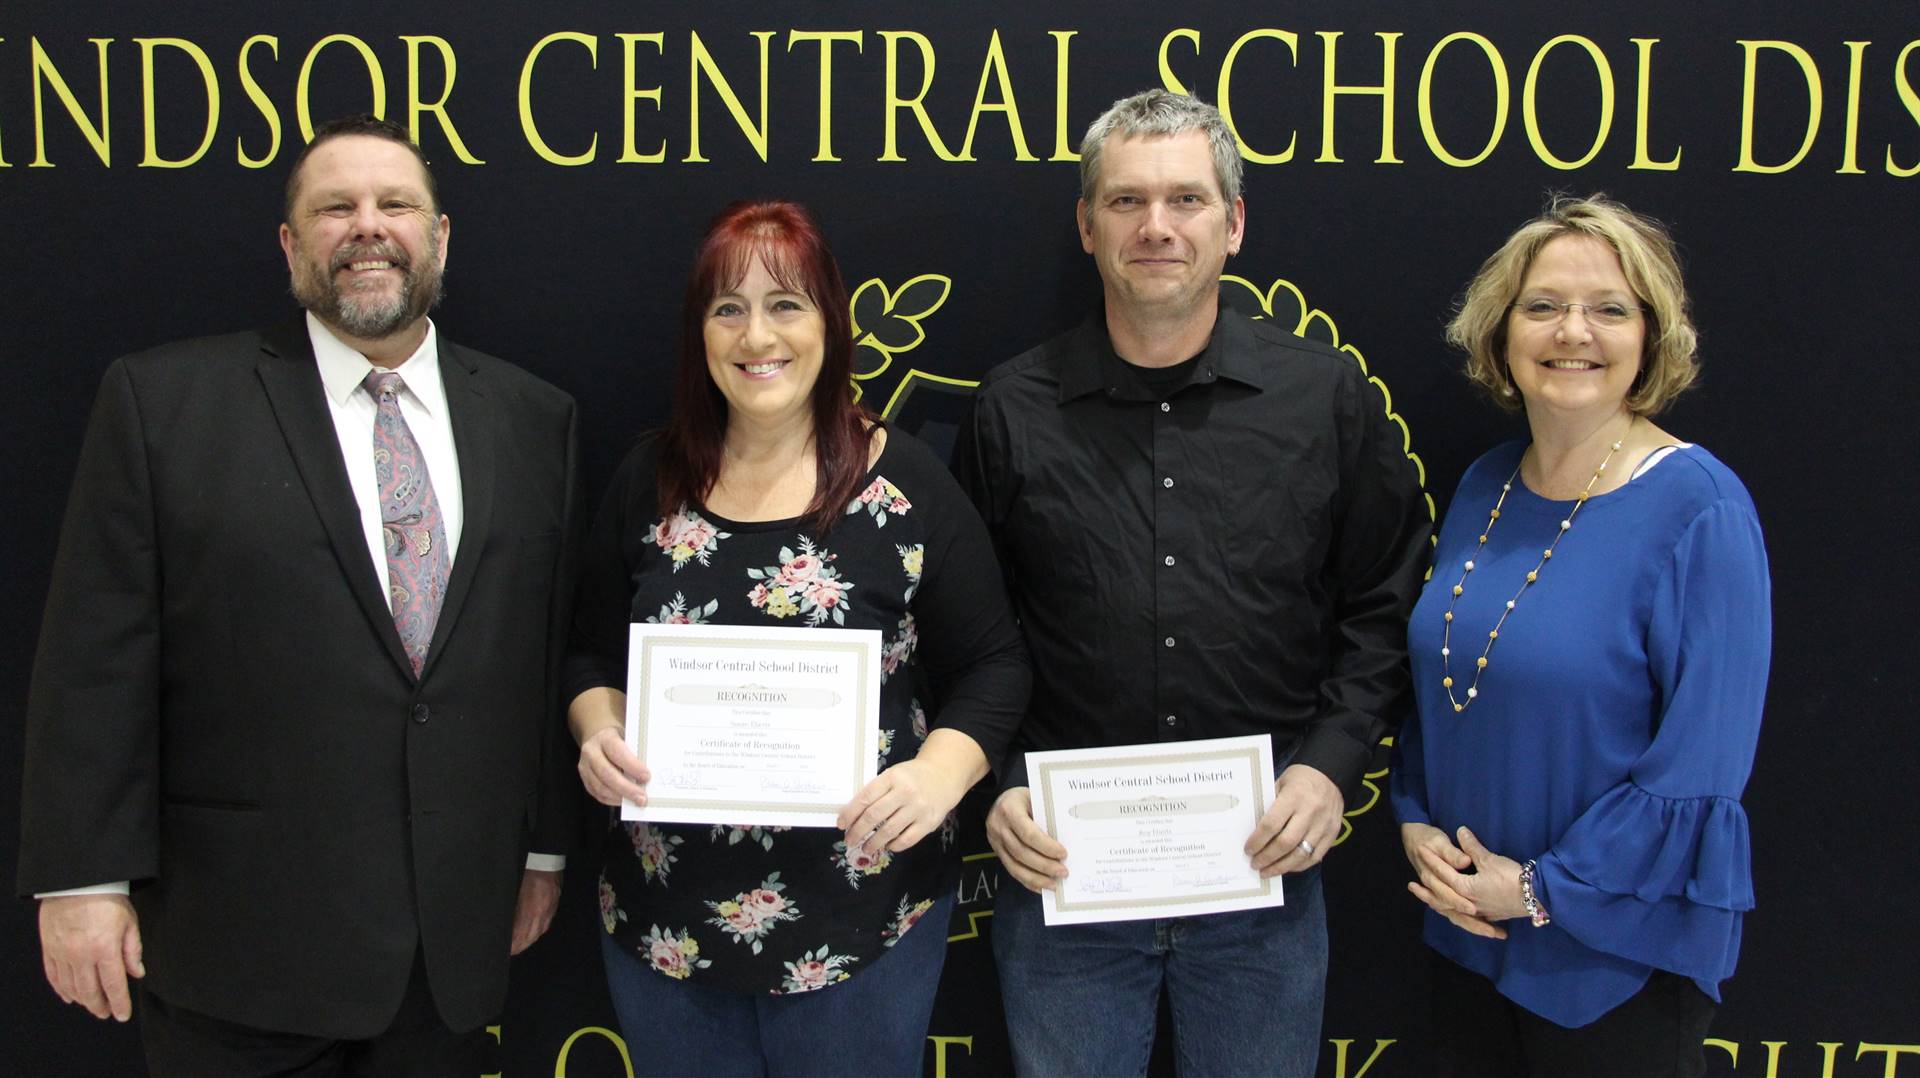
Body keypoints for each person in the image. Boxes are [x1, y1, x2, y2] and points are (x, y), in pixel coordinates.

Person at [16, 114, 581, 1075]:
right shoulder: (164, 405)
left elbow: (540, 650)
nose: (368, 227)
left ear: (440, 238)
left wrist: (542, 853)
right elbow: (94, 659)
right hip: (237, 955)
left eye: (396, 204)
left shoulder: (536, 419)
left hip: (445, 952)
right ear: (290, 245)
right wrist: (80, 880)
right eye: (335, 208)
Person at [954, 88, 1431, 1076]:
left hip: (1261, 879)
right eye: (1125, 202)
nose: (1157, 227)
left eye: (1186, 200)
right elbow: (965, 630)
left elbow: (1387, 598)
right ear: (1087, 227)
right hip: (1065, 884)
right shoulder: (1012, 408)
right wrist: (991, 784)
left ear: (1235, 223)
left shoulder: (1321, 397)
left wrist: (1329, 761)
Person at [563, 199, 1028, 1076]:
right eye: (727, 308)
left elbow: (995, 663)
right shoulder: (647, 480)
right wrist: (597, 729)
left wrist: (939, 775)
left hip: (860, 926)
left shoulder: (904, 482)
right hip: (668, 929)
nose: (756, 334)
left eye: (787, 304)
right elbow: (588, 652)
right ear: (700, 333)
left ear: (830, 324)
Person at [1390, 194, 1770, 1077]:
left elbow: (1702, 767)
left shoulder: (1700, 509)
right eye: (1543, 306)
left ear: (1651, 336)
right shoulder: (1486, 484)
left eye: (1608, 309)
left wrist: (1535, 891)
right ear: (1501, 333)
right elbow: (1446, 684)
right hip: (1468, 937)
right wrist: (1415, 822)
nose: (1574, 332)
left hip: (1610, 960)